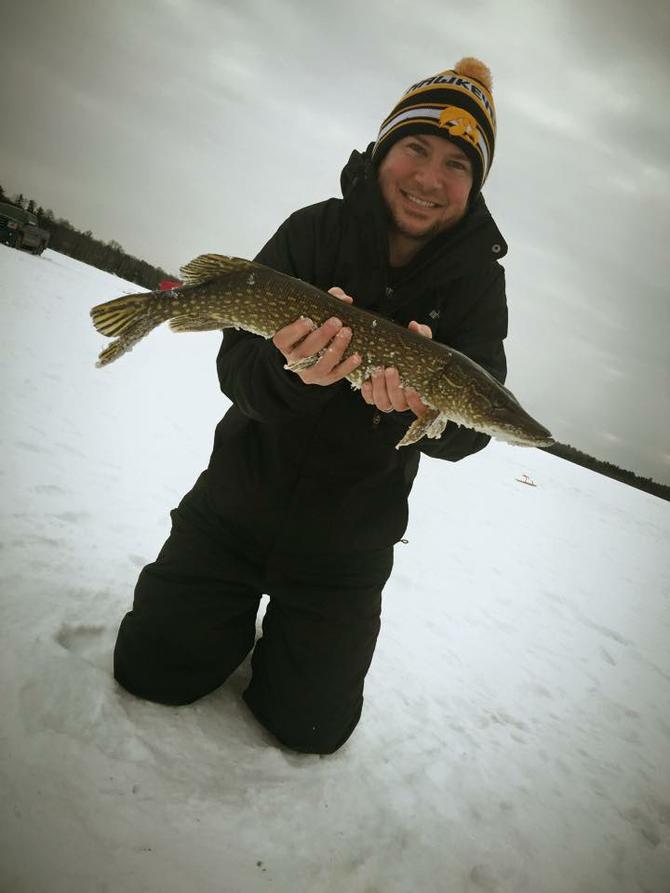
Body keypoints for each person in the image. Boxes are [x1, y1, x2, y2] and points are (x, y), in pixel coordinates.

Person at [113, 57, 508, 755]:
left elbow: (471, 426)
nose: (428, 177)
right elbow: (236, 365)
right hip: (233, 507)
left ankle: (291, 644)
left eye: (455, 163)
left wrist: (421, 416)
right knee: (150, 671)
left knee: (311, 730)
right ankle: (219, 615)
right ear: (386, 148)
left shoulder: (478, 287)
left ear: (472, 185)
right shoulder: (313, 231)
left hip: (346, 552)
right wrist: (293, 374)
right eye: (416, 147)